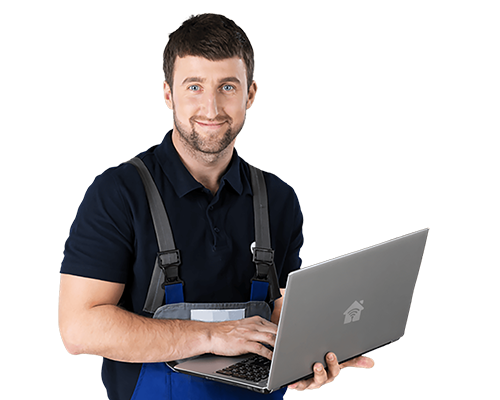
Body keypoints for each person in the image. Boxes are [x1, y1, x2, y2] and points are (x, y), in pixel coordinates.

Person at [58, 13, 373, 400]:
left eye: (227, 86)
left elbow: (281, 314)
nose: (211, 108)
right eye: (194, 86)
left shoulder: (279, 200)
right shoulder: (118, 193)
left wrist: (307, 358)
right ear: (168, 94)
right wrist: (211, 336)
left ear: (250, 95)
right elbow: (79, 329)